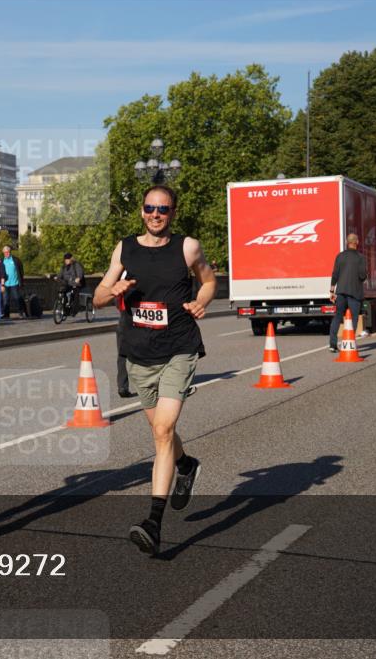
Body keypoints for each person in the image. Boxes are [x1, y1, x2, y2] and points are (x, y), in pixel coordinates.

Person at [93, 185, 216, 555]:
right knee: (161, 431)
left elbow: (209, 281)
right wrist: (113, 289)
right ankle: (186, 464)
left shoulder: (187, 247)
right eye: (150, 207)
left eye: (163, 208)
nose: (155, 214)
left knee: (162, 430)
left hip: (179, 347)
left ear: (173, 212)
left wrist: (200, 300)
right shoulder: (124, 247)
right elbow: (98, 296)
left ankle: (153, 522)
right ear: (142, 211)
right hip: (138, 352)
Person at [327, 233, 368, 352]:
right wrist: (365, 275)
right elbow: (362, 275)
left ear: (347, 242)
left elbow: (335, 274)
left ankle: (332, 344)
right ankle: (349, 342)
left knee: (338, 317)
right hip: (354, 292)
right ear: (357, 242)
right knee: (354, 318)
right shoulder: (361, 257)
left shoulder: (339, 256)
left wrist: (331, 290)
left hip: (340, 292)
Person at [0, 245, 26, 318]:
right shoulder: (2, 261)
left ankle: (21, 313)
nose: (6, 254)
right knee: (5, 300)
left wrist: (21, 281)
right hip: (6, 283)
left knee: (17, 298)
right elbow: (0, 272)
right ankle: (6, 314)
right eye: (5, 253)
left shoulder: (16, 260)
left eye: (7, 252)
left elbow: (21, 270)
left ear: (10, 252)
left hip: (15, 283)